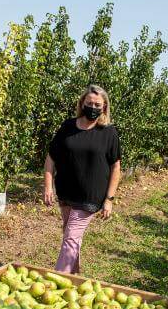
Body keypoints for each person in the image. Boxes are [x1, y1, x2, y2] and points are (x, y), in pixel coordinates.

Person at [44, 85, 122, 274]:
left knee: (71, 236)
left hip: (90, 196)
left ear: (104, 107)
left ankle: (57, 280)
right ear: (82, 103)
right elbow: (51, 158)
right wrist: (48, 186)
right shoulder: (68, 126)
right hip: (66, 192)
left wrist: (109, 200)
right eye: (89, 103)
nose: (93, 107)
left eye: (97, 104)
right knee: (70, 236)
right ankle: (74, 276)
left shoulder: (109, 132)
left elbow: (116, 168)